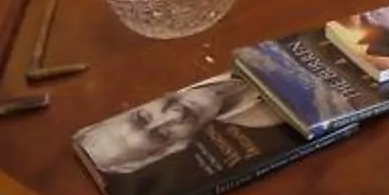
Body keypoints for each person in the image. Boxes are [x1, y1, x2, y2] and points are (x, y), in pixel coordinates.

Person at [75, 73, 273, 174]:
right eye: (161, 135)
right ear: (177, 146)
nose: (173, 116)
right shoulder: (264, 118)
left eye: (142, 118)